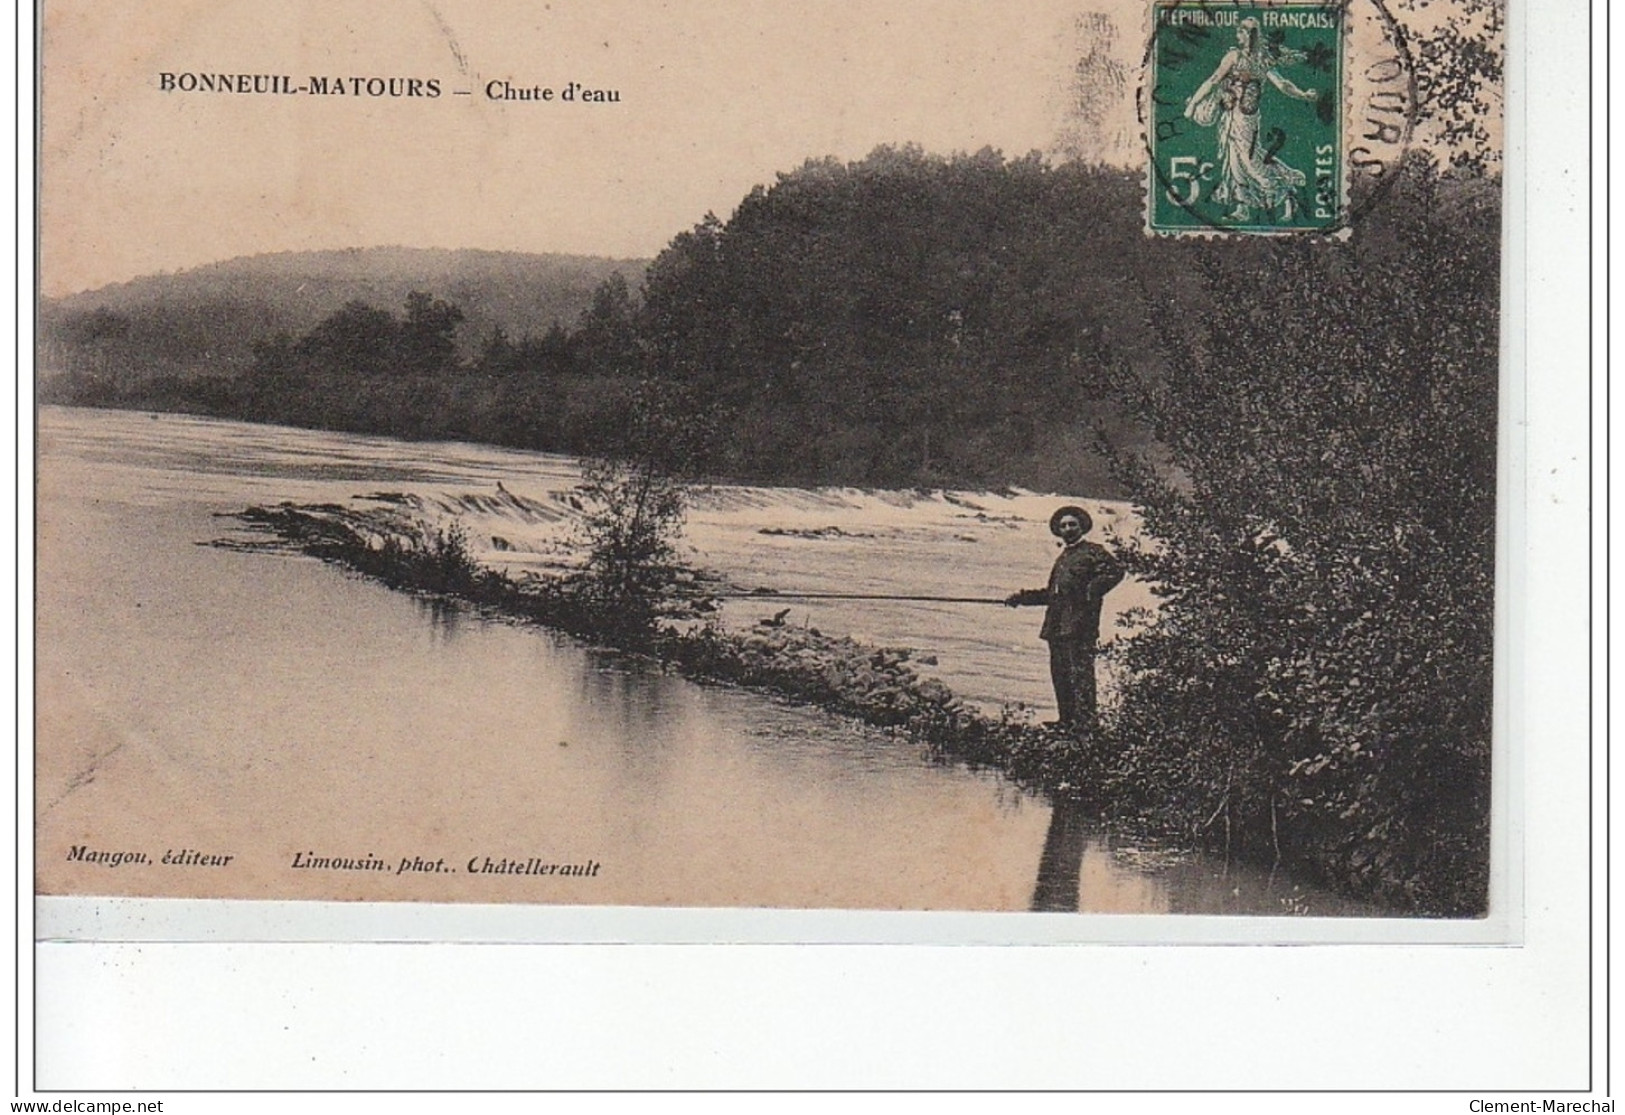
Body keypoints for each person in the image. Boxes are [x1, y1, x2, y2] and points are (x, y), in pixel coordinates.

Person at [1182, 17, 1319, 223]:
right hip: (1229, 116)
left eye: (1241, 32)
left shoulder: (1262, 60)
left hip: (1247, 118)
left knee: (1251, 161)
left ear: (1250, 35)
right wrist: (1194, 103)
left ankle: (1287, 191)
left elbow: (1282, 85)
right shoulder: (1233, 56)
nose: (1238, 36)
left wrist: (1304, 95)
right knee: (1234, 162)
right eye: (1238, 32)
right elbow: (1213, 80)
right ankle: (1242, 207)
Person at [1005, 506, 1123, 728]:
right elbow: (1051, 595)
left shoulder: (1093, 551)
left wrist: (1092, 590)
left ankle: (1087, 724)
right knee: (1060, 675)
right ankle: (1066, 721)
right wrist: (1020, 598)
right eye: (1063, 526)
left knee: (1081, 675)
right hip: (1057, 627)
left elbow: (1116, 571)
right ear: (1058, 531)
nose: (1068, 529)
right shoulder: (1063, 558)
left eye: (1072, 524)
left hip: (1080, 626)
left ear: (1081, 527)